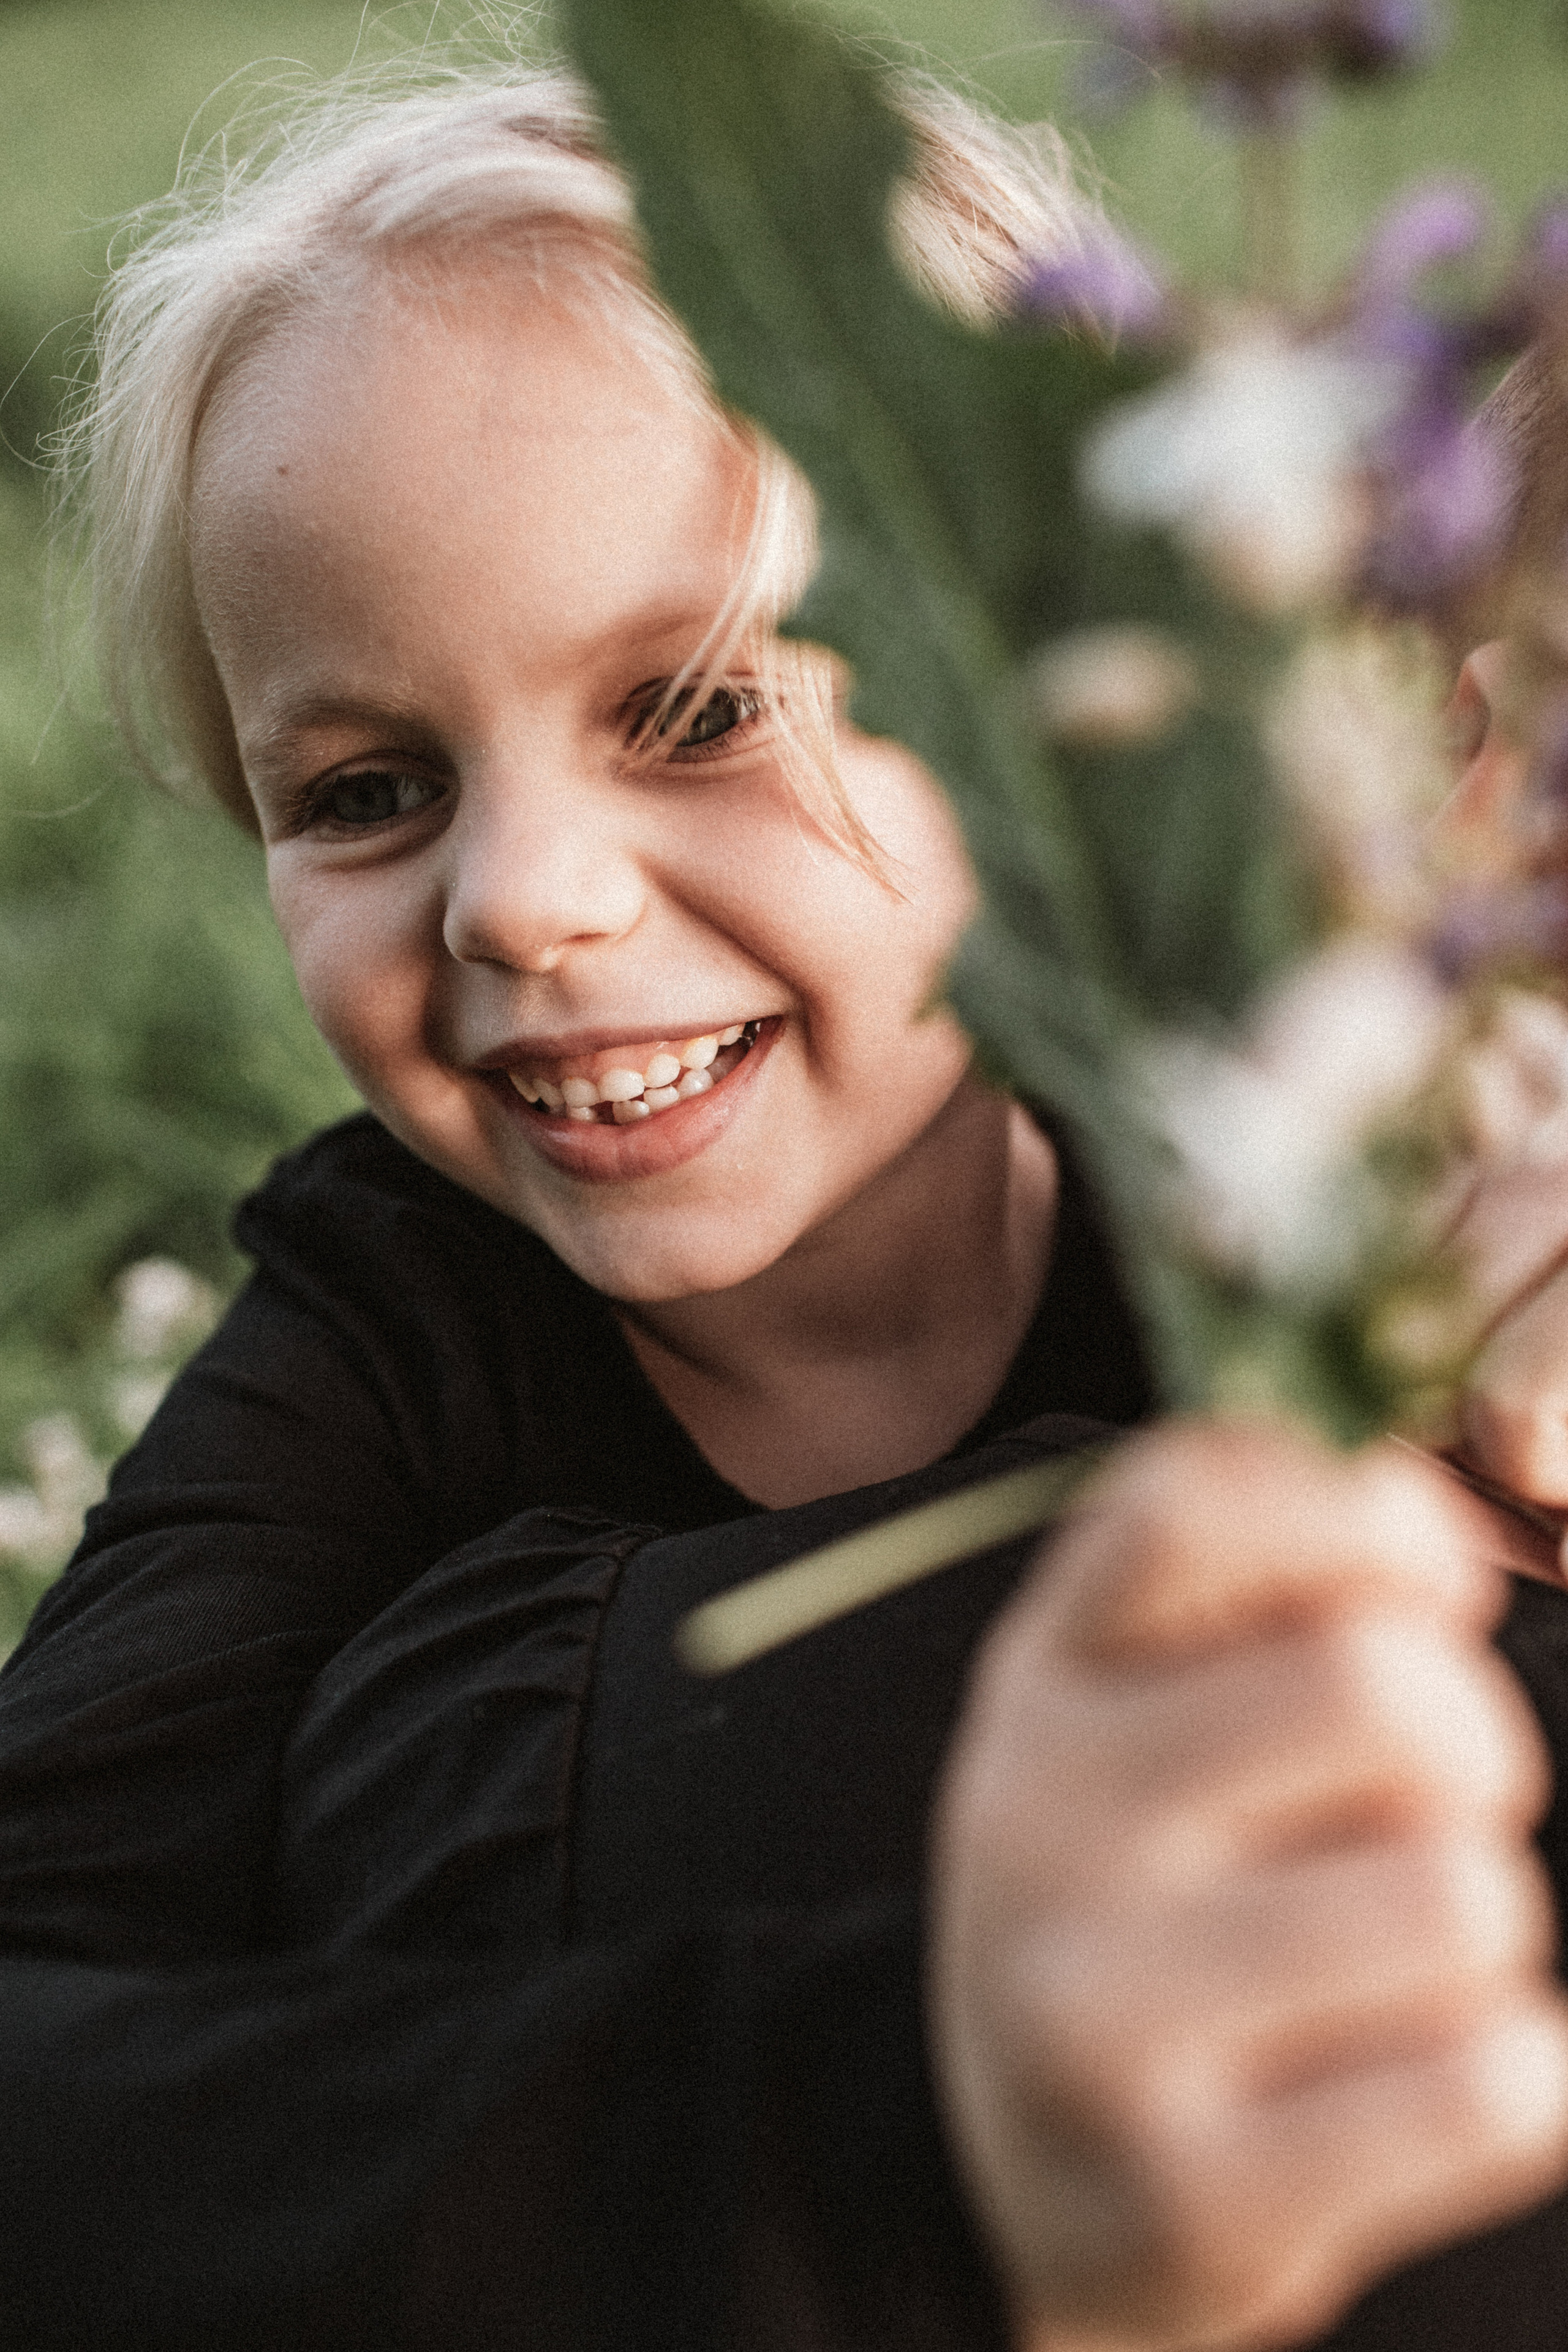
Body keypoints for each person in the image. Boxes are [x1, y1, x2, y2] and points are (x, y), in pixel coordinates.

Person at [1, 40, 1566, 2352]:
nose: (519, 901)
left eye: (705, 708)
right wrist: (910, 2115)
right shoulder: (388, 1323)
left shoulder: (1306, 1161)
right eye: (362, 789)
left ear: (1057, 691)